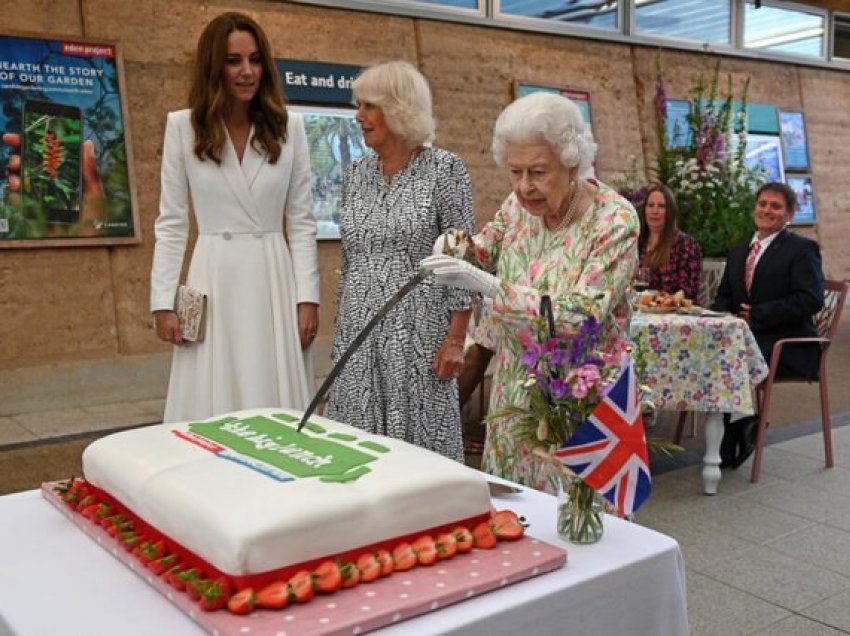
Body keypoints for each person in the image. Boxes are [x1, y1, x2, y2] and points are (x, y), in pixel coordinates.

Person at [421, 92, 639, 491]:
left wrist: (487, 286)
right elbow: (484, 248)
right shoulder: (518, 205)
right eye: (514, 172)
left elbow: (581, 315)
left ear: (572, 162)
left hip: (579, 395)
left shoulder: (615, 220)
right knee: (515, 514)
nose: (524, 187)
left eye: (538, 172)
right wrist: (454, 245)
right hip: (515, 391)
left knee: (579, 522)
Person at [150, 12, 319, 423]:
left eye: (256, 60)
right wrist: (162, 301)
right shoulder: (183, 128)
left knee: (274, 394)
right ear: (214, 67)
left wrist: (307, 297)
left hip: (272, 278)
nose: (248, 71)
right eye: (234, 61)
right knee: (212, 400)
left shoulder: (288, 127)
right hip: (214, 276)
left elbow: (301, 221)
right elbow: (171, 223)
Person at [325, 61, 475, 462]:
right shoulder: (356, 173)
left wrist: (456, 339)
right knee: (357, 451)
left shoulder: (445, 169)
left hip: (419, 335)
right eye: (359, 106)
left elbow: (462, 255)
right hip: (358, 332)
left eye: (370, 106)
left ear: (399, 108)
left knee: (419, 454)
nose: (359, 116)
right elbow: (350, 256)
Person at [713, 181, 824, 467]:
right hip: (745, 342)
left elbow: (811, 299)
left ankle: (732, 436)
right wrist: (727, 315)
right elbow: (724, 296)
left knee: (728, 358)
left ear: (789, 215)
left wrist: (759, 314)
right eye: (762, 204)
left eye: (775, 206)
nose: (767, 210)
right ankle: (740, 423)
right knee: (709, 352)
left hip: (788, 345)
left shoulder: (802, 249)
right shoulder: (739, 251)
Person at [638, 184, 702, 301]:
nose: (655, 211)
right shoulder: (638, 243)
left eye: (661, 206)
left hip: (674, 314)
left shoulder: (686, 244)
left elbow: (689, 290)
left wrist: (662, 300)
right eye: (651, 205)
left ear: (670, 212)